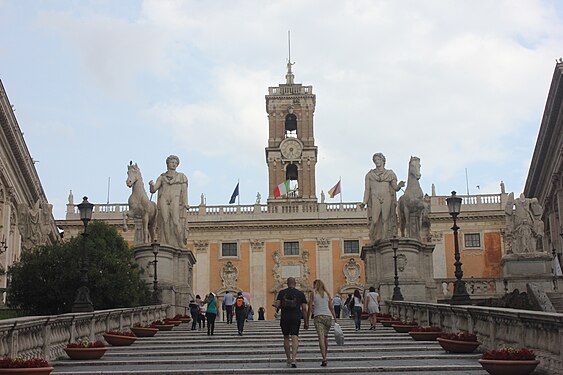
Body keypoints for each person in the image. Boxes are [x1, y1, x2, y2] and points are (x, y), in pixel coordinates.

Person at [360, 153, 405, 244]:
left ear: (383, 161)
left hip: (387, 197)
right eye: (375, 160)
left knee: (386, 219)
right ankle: (373, 238)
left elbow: (395, 187)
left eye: (379, 159)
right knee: (375, 220)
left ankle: (384, 240)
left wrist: (399, 186)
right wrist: (364, 202)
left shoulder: (390, 174)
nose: (377, 161)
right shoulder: (369, 175)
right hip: (375, 197)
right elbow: (367, 190)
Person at [149, 155, 189, 248]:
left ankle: (180, 243)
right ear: (167, 164)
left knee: (175, 221)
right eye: (172, 162)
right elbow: (153, 189)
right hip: (163, 198)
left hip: (175, 198)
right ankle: (167, 243)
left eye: (175, 163)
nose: (174, 164)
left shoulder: (181, 176)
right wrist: (151, 185)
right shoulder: (162, 177)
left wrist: (185, 203)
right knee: (165, 221)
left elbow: (184, 191)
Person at [274, 277, 308, 368]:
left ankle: (288, 358)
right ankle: (294, 358)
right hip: (296, 317)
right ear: (295, 283)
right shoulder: (300, 294)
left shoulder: (281, 292)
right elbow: (304, 309)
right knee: (295, 337)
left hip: (285, 317)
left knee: (286, 337)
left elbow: (277, 305)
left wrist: (279, 306)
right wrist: (306, 321)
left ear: (287, 283)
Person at [308, 279, 337, 367]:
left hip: (318, 316)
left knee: (321, 337)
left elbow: (310, 306)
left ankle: (324, 357)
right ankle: (325, 355)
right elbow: (331, 307)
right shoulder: (327, 294)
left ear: (315, 285)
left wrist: (307, 318)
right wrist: (335, 318)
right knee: (325, 337)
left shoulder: (313, 293)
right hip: (328, 317)